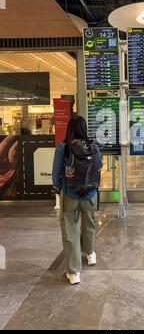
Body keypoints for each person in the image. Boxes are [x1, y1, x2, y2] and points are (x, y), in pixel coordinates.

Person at [52, 117, 103, 285]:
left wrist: (59, 189)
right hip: (90, 195)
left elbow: (55, 175)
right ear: (84, 129)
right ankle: (90, 255)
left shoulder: (63, 148)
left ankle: (74, 273)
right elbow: (100, 165)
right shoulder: (93, 146)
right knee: (89, 224)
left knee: (70, 232)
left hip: (70, 195)